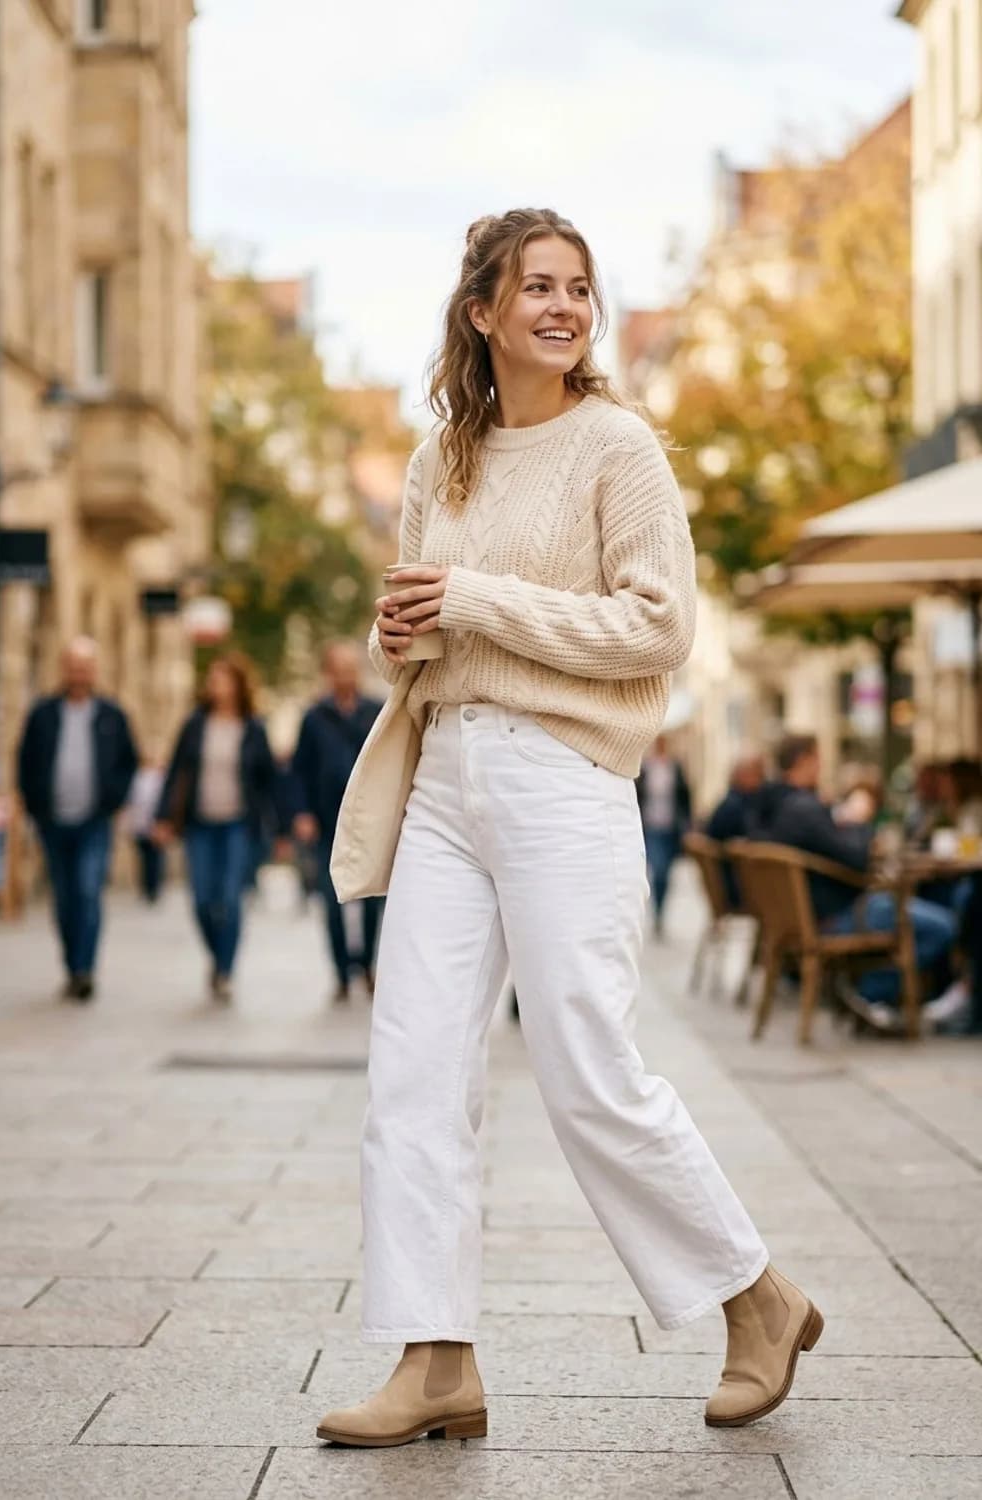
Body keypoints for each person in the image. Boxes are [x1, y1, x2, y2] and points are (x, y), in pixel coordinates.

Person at [316, 208, 822, 1450]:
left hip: (562, 778)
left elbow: (658, 629)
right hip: (446, 777)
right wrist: (409, 635)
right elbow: (436, 629)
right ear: (481, 312)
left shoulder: (619, 449)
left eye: (578, 288)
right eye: (533, 286)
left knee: (588, 1068)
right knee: (414, 1069)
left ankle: (756, 1298)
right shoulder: (443, 461)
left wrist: (477, 600)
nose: (560, 306)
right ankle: (434, 1357)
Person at [752, 733, 961, 1032]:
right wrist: (860, 818)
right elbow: (857, 859)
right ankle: (871, 992)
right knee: (944, 925)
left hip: (809, 915)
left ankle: (890, 999)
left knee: (926, 908)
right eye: (818, 760)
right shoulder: (803, 809)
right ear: (804, 761)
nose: (821, 767)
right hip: (837, 915)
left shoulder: (772, 806)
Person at [154, 653, 283, 1002]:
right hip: (200, 824)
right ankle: (216, 955)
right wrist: (164, 818)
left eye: (223, 679)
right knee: (200, 900)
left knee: (229, 897)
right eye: (212, 680)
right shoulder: (195, 725)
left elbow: (270, 780)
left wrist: (281, 828)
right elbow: (176, 773)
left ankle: (225, 969)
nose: (215, 686)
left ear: (238, 686)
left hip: (238, 825)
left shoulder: (253, 727)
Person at [17, 636, 137, 1001]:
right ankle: (72, 964)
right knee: (65, 896)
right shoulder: (43, 713)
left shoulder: (112, 715)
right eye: (72, 665)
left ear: (94, 670)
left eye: (85, 665)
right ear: (63, 669)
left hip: (94, 820)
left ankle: (85, 968)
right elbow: (25, 760)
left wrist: (113, 798)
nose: (78, 672)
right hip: (52, 820)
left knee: (88, 890)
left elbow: (128, 762)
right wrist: (34, 803)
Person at [292, 641, 385, 1001]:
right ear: (328, 673)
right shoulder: (314, 718)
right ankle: (341, 970)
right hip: (326, 821)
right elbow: (299, 771)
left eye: (351, 668)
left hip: (368, 821)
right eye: (339, 669)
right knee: (331, 902)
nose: (346, 675)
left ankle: (366, 965)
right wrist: (301, 813)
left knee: (371, 898)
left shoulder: (375, 711)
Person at [635, 734, 692, 937]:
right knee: (657, 870)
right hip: (650, 827)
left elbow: (685, 797)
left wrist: (686, 826)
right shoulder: (645, 768)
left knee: (666, 873)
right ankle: (656, 913)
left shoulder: (674, 768)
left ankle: (661, 910)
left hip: (670, 828)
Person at [703, 750, 767, 905]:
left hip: (732, 884)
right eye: (759, 774)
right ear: (744, 775)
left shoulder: (731, 802)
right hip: (740, 887)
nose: (763, 781)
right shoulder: (736, 807)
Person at [125, 755, 166, 903]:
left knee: (155, 860)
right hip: (139, 825)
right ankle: (146, 889)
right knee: (144, 860)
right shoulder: (137, 777)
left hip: (154, 825)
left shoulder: (158, 778)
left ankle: (154, 889)